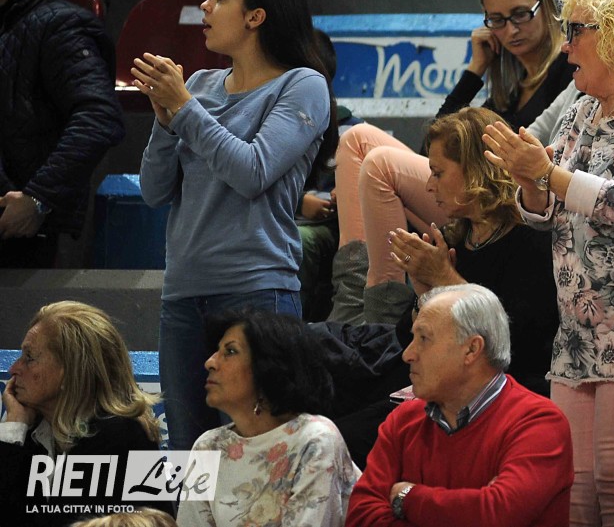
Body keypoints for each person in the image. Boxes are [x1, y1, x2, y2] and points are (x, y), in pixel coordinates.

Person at [482, 0, 614, 526]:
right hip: (576, 326)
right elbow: (546, 212)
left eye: (576, 31)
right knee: (571, 489)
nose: (566, 46)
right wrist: (530, 180)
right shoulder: (580, 109)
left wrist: (546, 174)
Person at [137, 0, 335, 452]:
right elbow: (154, 191)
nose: (205, 6)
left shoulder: (302, 85)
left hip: (257, 292)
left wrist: (184, 110)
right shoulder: (200, 85)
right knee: (189, 453)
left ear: (255, 17)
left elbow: (252, 171)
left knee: (258, 451)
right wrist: (165, 123)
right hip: (183, 295)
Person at [330, 0, 574, 324]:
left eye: (521, 14)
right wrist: (475, 71)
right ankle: (354, 306)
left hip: (511, 202)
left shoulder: (566, 72)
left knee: (378, 161)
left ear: (547, 8)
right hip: (475, 195)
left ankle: (373, 318)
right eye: (496, 20)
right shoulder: (508, 89)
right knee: (357, 141)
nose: (511, 30)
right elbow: (436, 148)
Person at [345, 284, 574, 527]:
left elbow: (497, 513)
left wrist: (407, 497)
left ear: (471, 349)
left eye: (424, 339)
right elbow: (360, 515)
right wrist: (466, 509)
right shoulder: (404, 419)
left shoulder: (539, 423)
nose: (408, 354)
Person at [387, 106, 558, 394]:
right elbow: (407, 339)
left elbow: (514, 348)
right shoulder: (454, 237)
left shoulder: (532, 239)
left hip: (502, 396)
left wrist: (445, 280)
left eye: (438, 173)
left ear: (476, 170)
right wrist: (424, 291)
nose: (429, 186)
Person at [0, 0, 123, 269]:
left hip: (18, 235)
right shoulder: (9, 26)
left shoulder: (60, 25)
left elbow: (99, 118)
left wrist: (38, 199)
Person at [176, 310, 361, 527]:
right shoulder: (208, 446)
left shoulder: (315, 439)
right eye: (217, 351)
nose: (210, 362)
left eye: (230, 351)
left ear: (268, 367)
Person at [0, 302, 168, 525]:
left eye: (29, 357)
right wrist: (13, 429)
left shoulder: (121, 437)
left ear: (71, 370)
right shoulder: (34, 429)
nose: (13, 369)